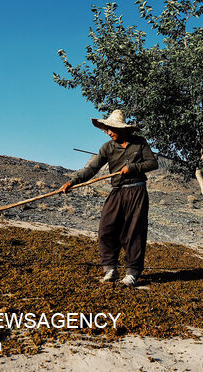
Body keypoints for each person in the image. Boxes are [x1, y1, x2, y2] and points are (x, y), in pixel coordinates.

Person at [60, 110, 158, 287]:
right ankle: (110, 268)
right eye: (106, 129)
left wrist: (133, 168)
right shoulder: (107, 148)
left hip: (137, 191)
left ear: (121, 129)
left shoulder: (139, 143)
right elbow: (91, 169)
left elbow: (153, 163)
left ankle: (132, 272)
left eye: (111, 129)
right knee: (106, 228)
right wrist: (72, 182)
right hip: (117, 191)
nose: (108, 132)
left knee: (134, 231)